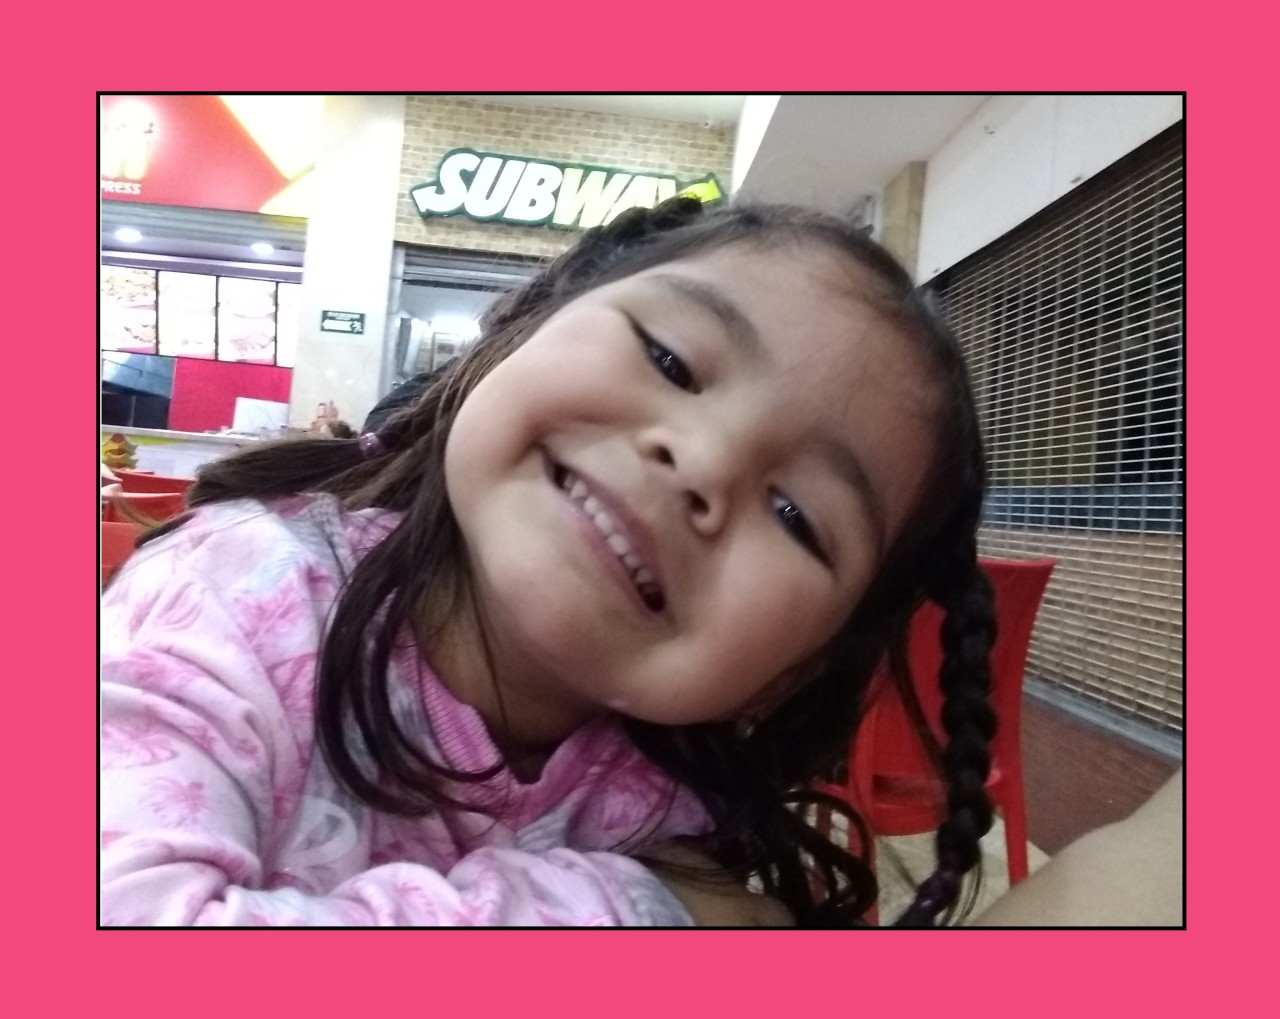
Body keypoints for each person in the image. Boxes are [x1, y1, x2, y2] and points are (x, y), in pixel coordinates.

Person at [100, 197, 1000, 927]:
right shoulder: (231, 594)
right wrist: (624, 911)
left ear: (792, 670)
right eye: (670, 360)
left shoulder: (673, 801)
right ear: (523, 332)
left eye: (798, 513)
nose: (703, 462)